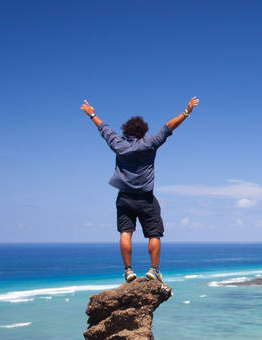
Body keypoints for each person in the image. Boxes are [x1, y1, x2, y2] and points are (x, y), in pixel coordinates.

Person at [80, 97, 199, 282]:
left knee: (125, 233)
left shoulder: (118, 144)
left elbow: (103, 129)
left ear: (125, 131)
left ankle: (128, 270)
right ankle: (154, 269)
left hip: (124, 198)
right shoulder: (149, 143)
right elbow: (168, 127)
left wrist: (91, 113)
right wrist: (187, 111)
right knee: (154, 234)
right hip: (146, 198)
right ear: (143, 131)